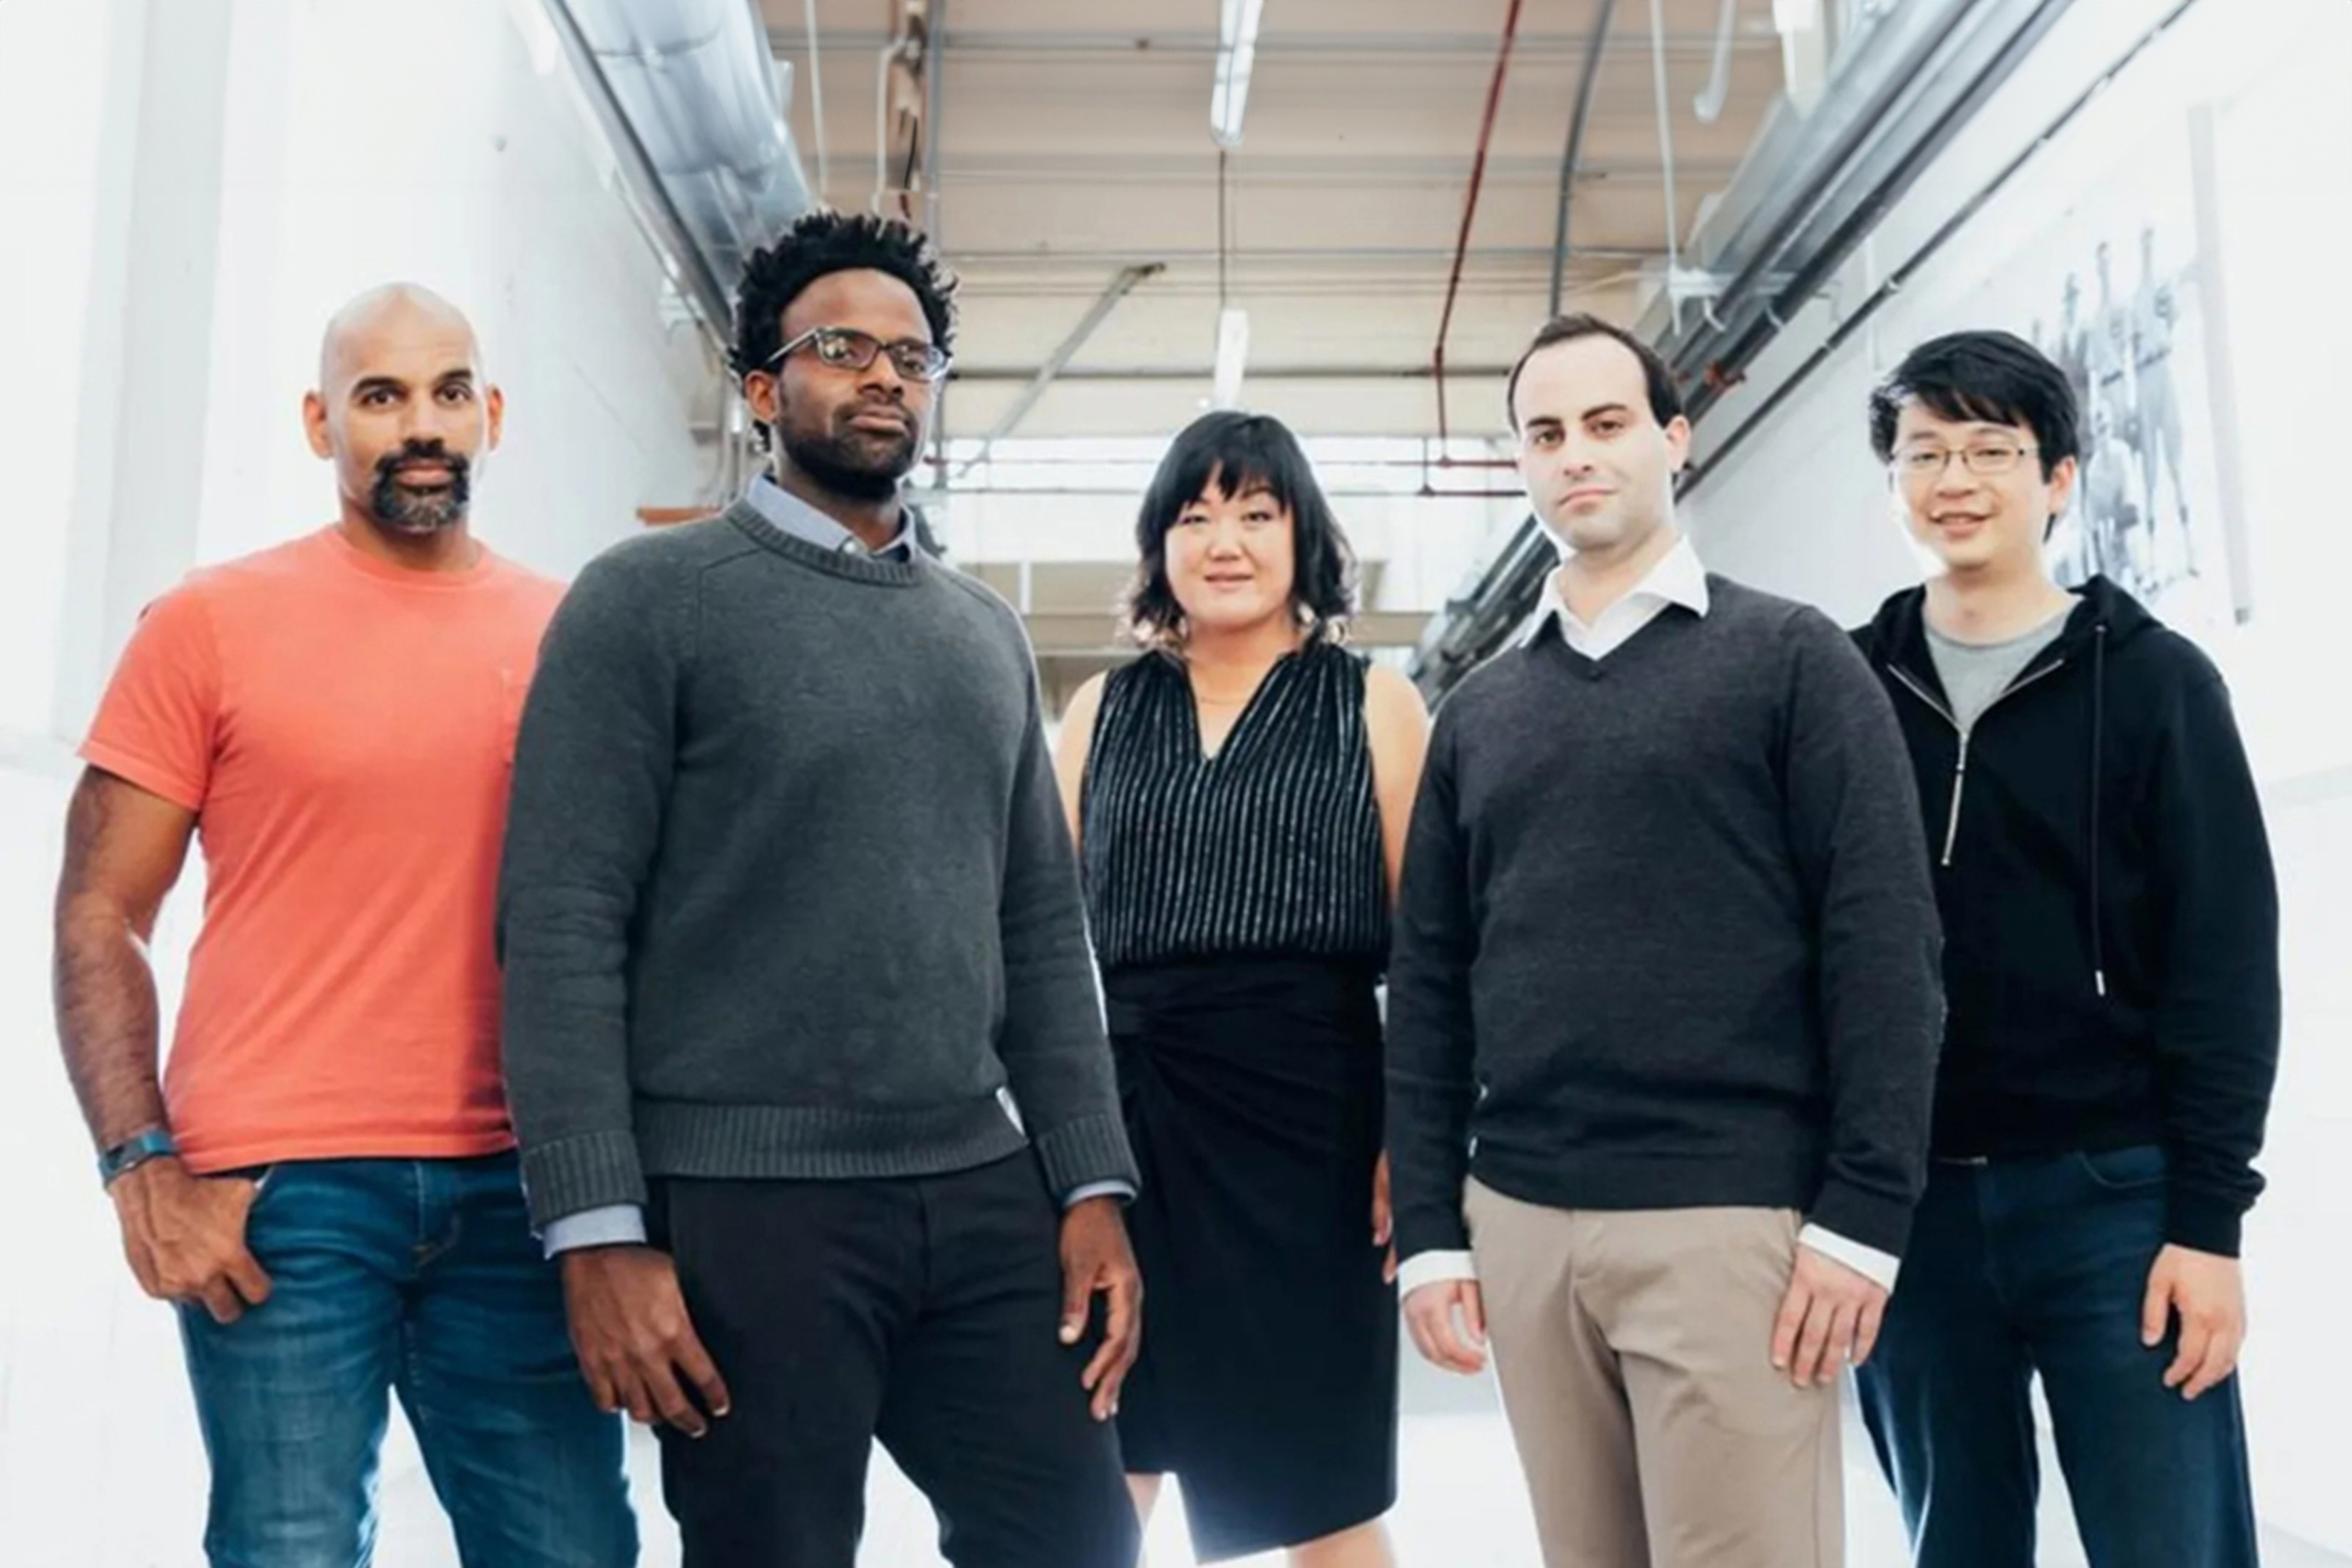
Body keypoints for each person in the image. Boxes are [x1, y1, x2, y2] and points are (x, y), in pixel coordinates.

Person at [496, 209, 1144, 1568]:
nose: (885, 376)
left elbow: (1039, 926)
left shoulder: (983, 637)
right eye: (843, 346)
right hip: (745, 1208)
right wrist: (596, 1231)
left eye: (914, 357)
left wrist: (1091, 1184)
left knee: (1078, 1540)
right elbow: (560, 928)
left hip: (977, 1186)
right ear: (759, 388)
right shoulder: (644, 605)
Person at [51, 284, 635, 1567]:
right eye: (379, 396)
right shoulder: (209, 623)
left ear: (490, 415)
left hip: (522, 1191)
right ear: (323, 424)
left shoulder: (578, 636)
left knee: (575, 1550)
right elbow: (100, 911)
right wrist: (137, 1164)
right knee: (292, 1551)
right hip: (279, 1197)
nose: (417, 425)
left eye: (443, 392)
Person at [1386, 313, 1945, 1568]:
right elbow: (1428, 985)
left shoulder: (1791, 660)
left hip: (1729, 1218)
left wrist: (1864, 1211)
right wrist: (1431, 1230)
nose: (1576, 455)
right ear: (1519, 462)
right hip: (1524, 1223)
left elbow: (1885, 945)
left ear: (1673, 440)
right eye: (1545, 433)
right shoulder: (1479, 713)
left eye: (1606, 424)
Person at [1853, 329, 2278, 1568]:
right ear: (1894, 483)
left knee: (2171, 1547)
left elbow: (2227, 971)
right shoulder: (1841, 687)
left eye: (1993, 447)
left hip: (2117, 1202)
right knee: (1955, 1546)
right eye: (1925, 452)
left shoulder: (2157, 686)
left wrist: (2211, 1223)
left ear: (2059, 477)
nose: (1957, 479)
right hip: (1914, 1206)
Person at [1053, 411, 1430, 1567]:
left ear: (1301, 537)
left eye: (1256, 514)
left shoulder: (1374, 704)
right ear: (1159, 543)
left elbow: (1431, 948)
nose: (1225, 540)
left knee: (1315, 1480)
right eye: (1195, 515)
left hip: (1314, 1130)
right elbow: (1031, 943)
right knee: (1098, 1450)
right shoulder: (1098, 711)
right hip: (1130, 1119)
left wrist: (1412, 1141)